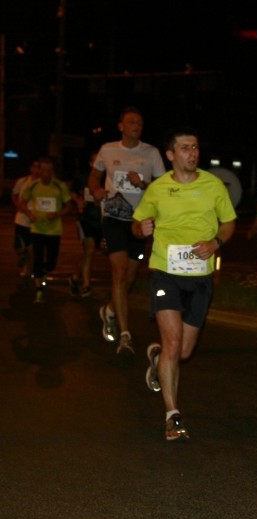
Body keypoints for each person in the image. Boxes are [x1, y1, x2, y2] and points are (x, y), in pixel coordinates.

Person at [132, 126, 236, 441]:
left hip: (200, 277)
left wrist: (216, 242)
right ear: (171, 155)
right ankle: (172, 416)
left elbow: (229, 222)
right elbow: (137, 225)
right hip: (165, 272)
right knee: (174, 345)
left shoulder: (213, 185)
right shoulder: (158, 188)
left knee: (184, 351)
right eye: (186, 148)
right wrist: (142, 228)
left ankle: (156, 356)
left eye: (195, 147)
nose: (193, 153)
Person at [89, 106, 166, 356]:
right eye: (132, 121)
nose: (136, 125)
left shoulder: (151, 152)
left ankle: (110, 309)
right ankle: (125, 334)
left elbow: (163, 186)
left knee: (130, 277)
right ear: (121, 126)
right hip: (113, 216)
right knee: (120, 273)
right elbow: (93, 177)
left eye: (140, 122)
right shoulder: (108, 149)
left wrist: (142, 183)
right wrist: (97, 191)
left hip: (139, 221)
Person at [21, 156, 74, 304]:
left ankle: (43, 272)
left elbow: (69, 206)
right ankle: (39, 289)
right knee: (37, 258)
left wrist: (57, 214)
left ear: (53, 171)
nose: (45, 174)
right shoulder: (33, 185)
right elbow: (22, 202)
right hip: (37, 229)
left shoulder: (59, 186)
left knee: (51, 263)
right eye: (43, 170)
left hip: (54, 230)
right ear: (39, 171)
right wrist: (29, 214)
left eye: (48, 171)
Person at [69, 151, 104, 298]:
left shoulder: (107, 179)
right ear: (90, 164)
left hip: (101, 221)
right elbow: (71, 191)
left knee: (90, 253)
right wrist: (78, 201)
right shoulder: (82, 177)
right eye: (95, 162)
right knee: (89, 249)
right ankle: (86, 285)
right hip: (85, 219)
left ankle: (76, 277)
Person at [11, 160, 40, 279]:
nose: (37, 169)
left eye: (39, 167)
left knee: (31, 248)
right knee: (20, 247)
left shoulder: (43, 183)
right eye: (35, 166)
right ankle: (22, 257)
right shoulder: (22, 181)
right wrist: (19, 206)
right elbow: (14, 195)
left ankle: (28, 271)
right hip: (22, 219)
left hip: (35, 219)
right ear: (31, 168)